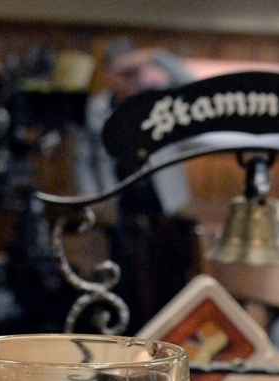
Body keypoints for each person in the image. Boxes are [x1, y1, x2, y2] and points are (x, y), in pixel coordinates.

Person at [73, 44, 199, 332]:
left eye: (135, 72)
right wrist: (91, 192)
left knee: (170, 274)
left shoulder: (156, 101)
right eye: (124, 73)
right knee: (126, 276)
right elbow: (85, 156)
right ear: (109, 75)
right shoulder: (98, 108)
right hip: (121, 205)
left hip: (164, 204)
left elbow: (194, 89)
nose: (131, 80)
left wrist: (156, 57)